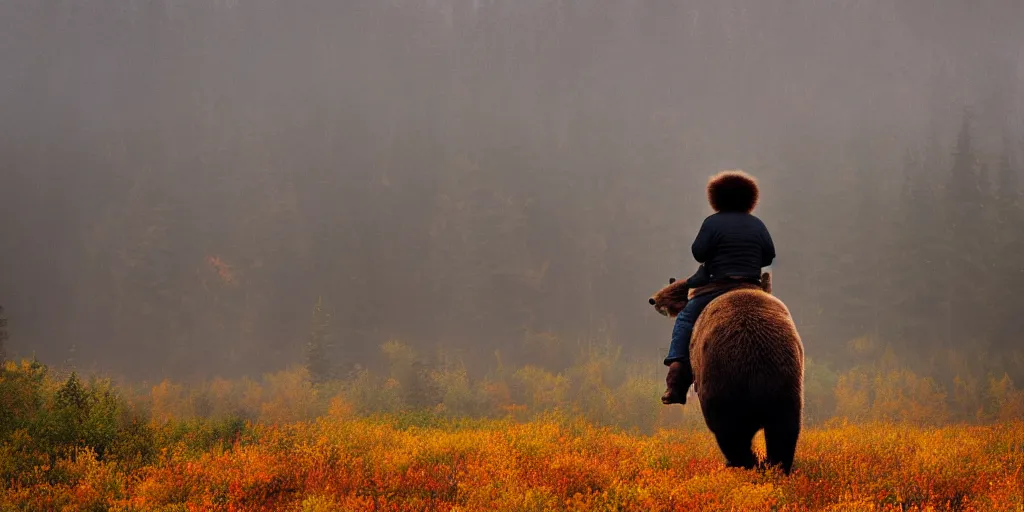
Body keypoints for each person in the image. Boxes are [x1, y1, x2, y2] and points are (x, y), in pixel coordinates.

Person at [662, 170, 776, 405]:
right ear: (749, 199)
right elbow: (768, 256)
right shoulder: (757, 224)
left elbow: (699, 253)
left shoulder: (712, 222)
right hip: (752, 287)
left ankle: (676, 380)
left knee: (685, 318)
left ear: (717, 198)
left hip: (716, 287)